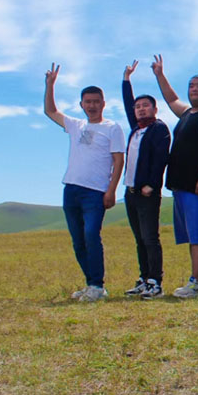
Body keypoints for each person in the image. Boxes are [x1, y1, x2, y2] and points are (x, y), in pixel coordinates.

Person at [44, 63, 125, 302]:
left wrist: (112, 190)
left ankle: (98, 286)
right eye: (87, 102)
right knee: (78, 240)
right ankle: (91, 284)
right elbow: (50, 111)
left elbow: (118, 160)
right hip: (71, 188)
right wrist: (50, 85)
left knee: (91, 235)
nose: (92, 105)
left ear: (103, 103)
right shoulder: (75, 125)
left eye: (96, 101)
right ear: (81, 105)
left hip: (96, 192)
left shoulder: (112, 127)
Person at [151, 55, 198, 298]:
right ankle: (197, 279)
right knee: (192, 235)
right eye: (191, 86)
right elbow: (171, 98)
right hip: (181, 185)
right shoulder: (187, 113)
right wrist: (160, 75)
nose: (194, 90)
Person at [120, 60, 171, 300]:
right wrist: (126, 79)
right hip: (130, 192)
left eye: (145, 106)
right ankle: (143, 278)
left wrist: (152, 184)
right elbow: (127, 102)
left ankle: (155, 282)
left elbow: (161, 158)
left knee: (151, 237)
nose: (140, 109)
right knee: (139, 238)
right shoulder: (136, 129)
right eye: (137, 106)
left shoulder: (159, 129)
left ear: (154, 109)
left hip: (147, 192)